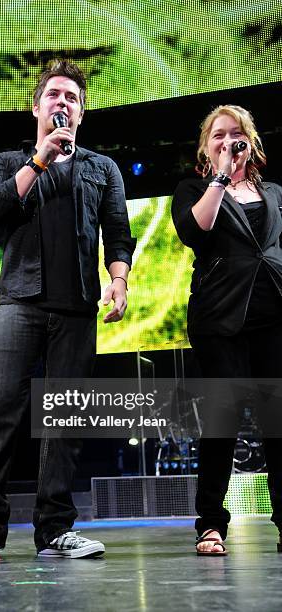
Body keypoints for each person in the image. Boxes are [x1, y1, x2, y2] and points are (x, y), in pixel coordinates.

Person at [0, 60, 136, 558]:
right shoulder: (9, 162)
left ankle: (55, 529)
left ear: (81, 113)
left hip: (76, 307)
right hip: (18, 304)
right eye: (54, 94)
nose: (63, 103)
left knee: (67, 420)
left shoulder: (103, 169)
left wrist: (119, 282)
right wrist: (40, 160)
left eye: (72, 97)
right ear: (37, 107)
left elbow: (117, 232)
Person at [171, 104, 282, 555]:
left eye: (236, 134)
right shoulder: (194, 188)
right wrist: (220, 176)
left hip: (275, 314)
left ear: (250, 141)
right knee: (222, 425)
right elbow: (194, 232)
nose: (227, 141)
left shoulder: (274, 192)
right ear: (206, 145)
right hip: (221, 319)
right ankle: (211, 524)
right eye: (218, 135)